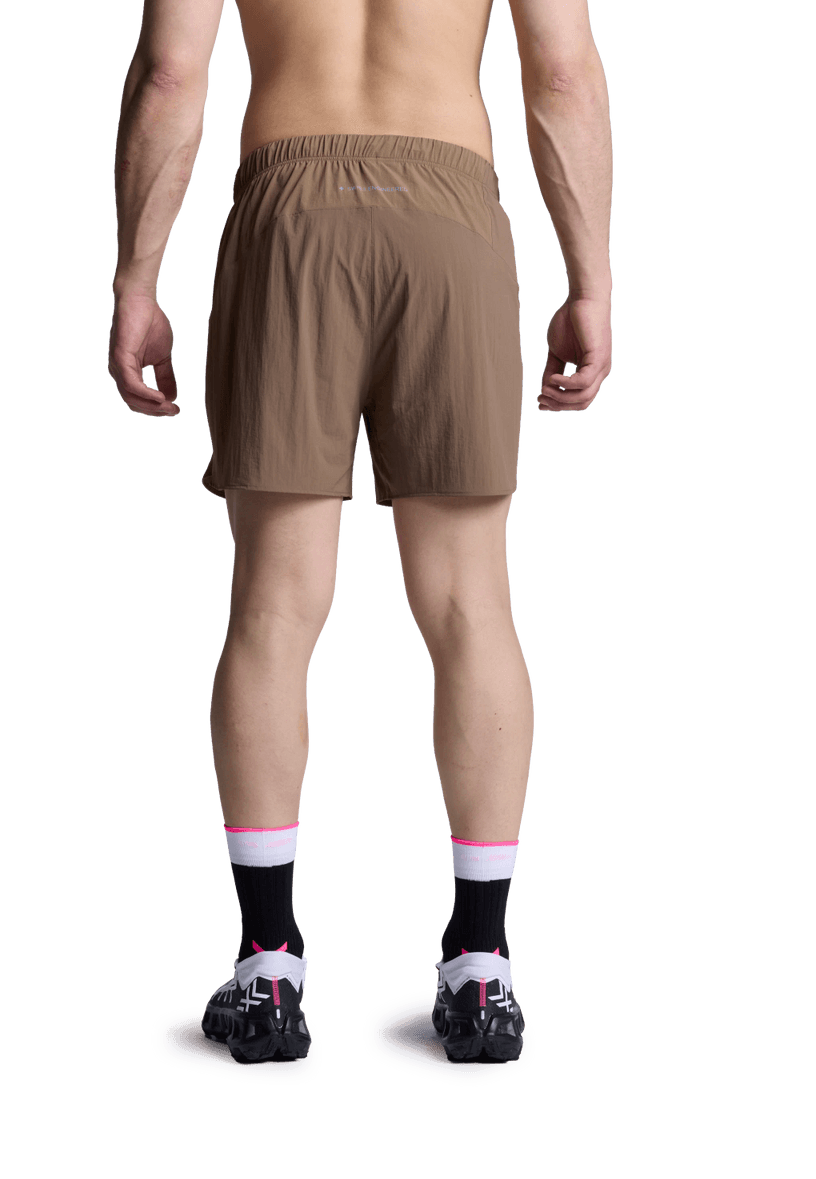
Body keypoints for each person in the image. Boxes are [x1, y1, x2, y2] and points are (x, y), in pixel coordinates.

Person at [108, 0, 613, 1066]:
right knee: (471, 605)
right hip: (450, 212)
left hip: (291, 210)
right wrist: (593, 282)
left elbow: (168, 76)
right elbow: (563, 74)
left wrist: (136, 281)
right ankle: (482, 971)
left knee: (274, 605)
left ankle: (267, 969)